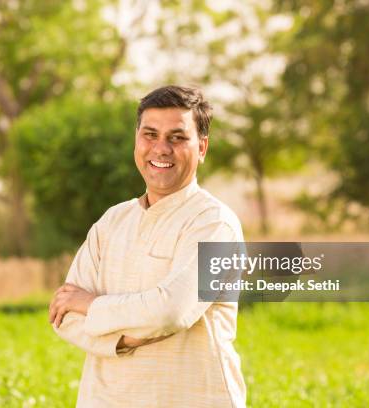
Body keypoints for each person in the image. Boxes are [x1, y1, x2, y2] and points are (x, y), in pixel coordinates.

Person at [49, 85, 246, 407]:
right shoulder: (112, 222)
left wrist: (91, 305)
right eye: (150, 135)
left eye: (177, 137)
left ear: (202, 148)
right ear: (136, 140)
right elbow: (66, 318)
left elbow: (172, 310)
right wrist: (127, 339)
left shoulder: (215, 224)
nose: (161, 148)